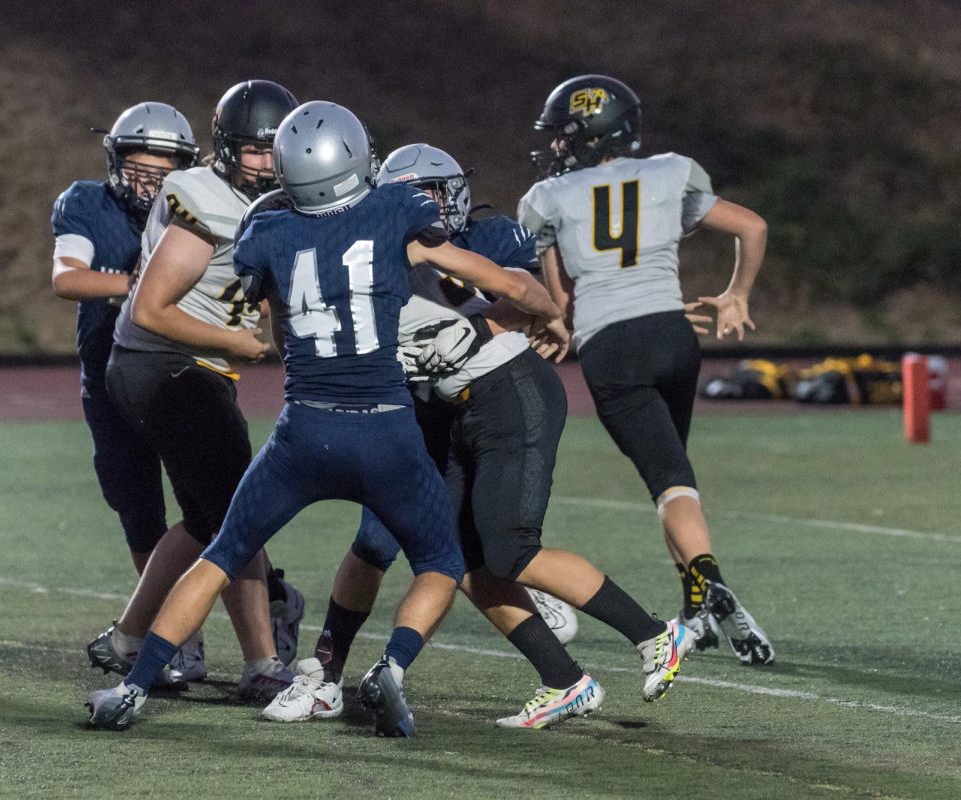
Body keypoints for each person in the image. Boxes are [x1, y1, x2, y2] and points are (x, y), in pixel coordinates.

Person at [85, 101, 565, 736]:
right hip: (387, 428)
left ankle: (132, 687)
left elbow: (280, 329)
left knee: (223, 552)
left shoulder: (267, 229)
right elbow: (510, 286)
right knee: (444, 560)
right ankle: (391, 669)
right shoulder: (398, 212)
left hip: (305, 430)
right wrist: (549, 311)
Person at [263, 144, 693, 730]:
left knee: (509, 546)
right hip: (443, 407)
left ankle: (654, 633)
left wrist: (542, 319)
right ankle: (565, 680)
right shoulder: (360, 254)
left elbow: (519, 289)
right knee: (457, 559)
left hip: (502, 394)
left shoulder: (442, 241)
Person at [518, 74, 774, 665]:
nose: (556, 146)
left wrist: (551, 327)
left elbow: (559, 304)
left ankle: (706, 579)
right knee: (674, 478)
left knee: (667, 483)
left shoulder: (547, 198)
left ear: (587, 136)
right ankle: (696, 601)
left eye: (564, 135)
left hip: (612, 346)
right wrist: (737, 295)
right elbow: (753, 226)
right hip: (673, 334)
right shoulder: (669, 170)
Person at [84, 81, 304, 699]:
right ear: (227, 149)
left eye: (275, 150)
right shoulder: (203, 194)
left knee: (206, 520)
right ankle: (263, 664)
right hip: (165, 363)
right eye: (254, 151)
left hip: (186, 370)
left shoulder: (279, 203)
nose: (266, 163)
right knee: (241, 514)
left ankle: (128, 637)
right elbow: (152, 308)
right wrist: (237, 343)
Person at [51, 101, 198, 576]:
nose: (149, 183)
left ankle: (273, 599)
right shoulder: (88, 204)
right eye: (139, 169)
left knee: (212, 504)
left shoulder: (196, 215)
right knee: (136, 507)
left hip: (179, 378)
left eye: (162, 172)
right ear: (116, 163)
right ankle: (165, 630)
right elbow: (67, 278)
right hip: (109, 376)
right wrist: (140, 288)